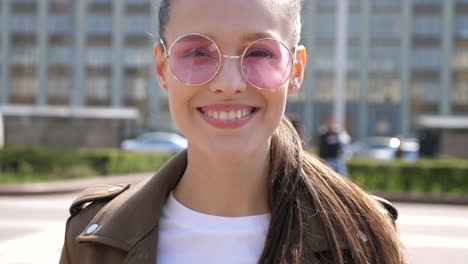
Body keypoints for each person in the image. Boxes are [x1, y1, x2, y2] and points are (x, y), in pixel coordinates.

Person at [60, 0, 406, 263]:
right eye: (196, 52)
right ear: (162, 69)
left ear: (295, 70)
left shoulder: (362, 235)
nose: (228, 84)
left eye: (259, 53)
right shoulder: (92, 239)